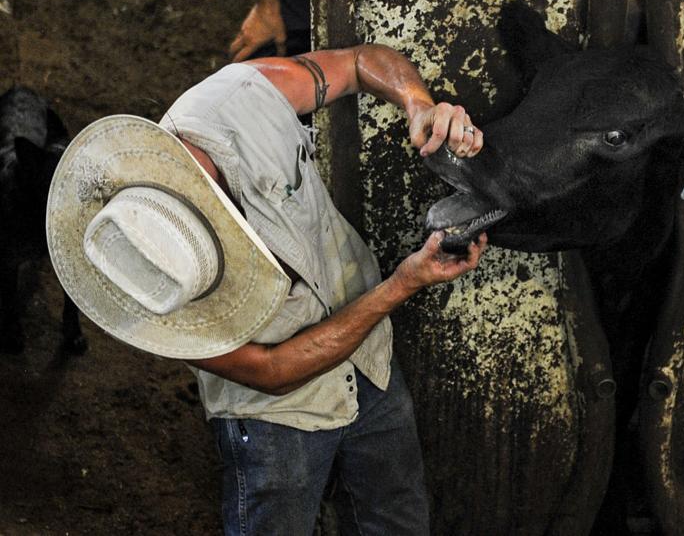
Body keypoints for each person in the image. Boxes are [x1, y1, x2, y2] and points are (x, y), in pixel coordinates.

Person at [47, 45, 486, 535]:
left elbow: (359, 62)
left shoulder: (240, 97)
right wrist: (402, 285)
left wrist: (416, 102)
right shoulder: (145, 284)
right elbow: (274, 372)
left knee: (398, 519)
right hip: (274, 419)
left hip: (369, 361)